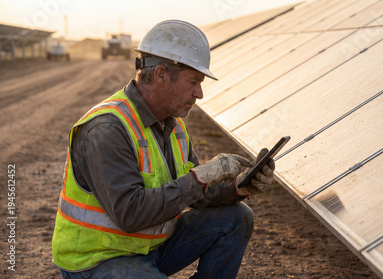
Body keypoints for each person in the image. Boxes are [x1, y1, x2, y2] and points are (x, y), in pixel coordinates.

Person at [52, 20, 275, 279]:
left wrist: (237, 188)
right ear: (160, 75)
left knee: (236, 217)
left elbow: (194, 194)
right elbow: (130, 214)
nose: (199, 93)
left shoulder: (173, 125)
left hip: (150, 249)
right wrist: (201, 177)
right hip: (99, 260)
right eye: (193, 81)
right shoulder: (106, 129)